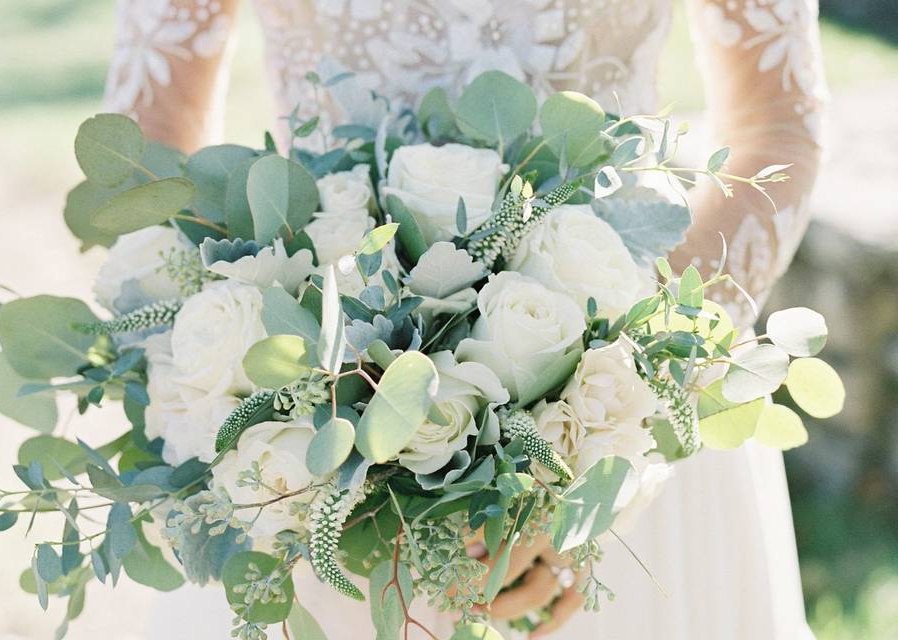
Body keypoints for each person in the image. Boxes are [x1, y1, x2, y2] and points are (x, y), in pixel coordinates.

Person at [105, 1, 827, 638]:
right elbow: (150, 139)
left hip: (623, 410)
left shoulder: (631, 407)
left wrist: (631, 403)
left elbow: (777, 127)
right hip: (320, 433)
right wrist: (243, 379)